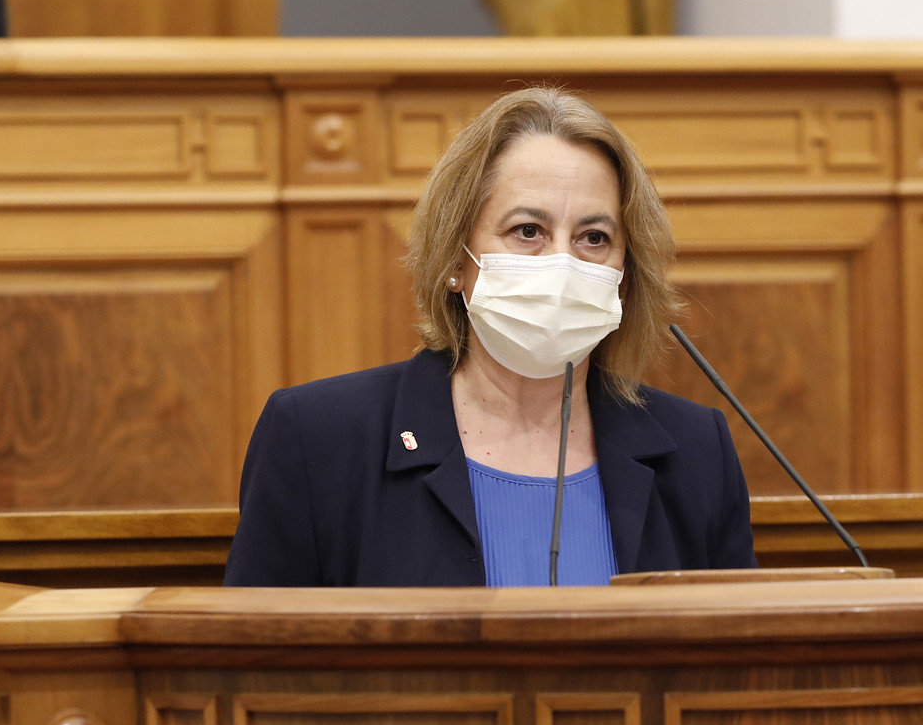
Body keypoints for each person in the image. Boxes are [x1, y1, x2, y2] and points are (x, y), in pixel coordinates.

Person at [224, 86, 757, 587]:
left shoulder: (695, 452)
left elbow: (737, 670)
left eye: (594, 238)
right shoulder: (319, 440)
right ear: (457, 259)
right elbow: (252, 670)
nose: (562, 263)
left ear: (626, 268)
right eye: (528, 231)